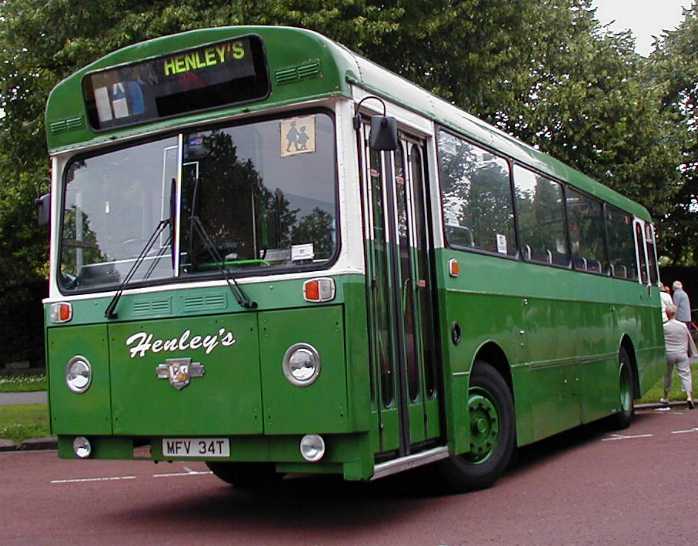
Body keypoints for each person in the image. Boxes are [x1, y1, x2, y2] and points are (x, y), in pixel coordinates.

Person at [661, 304, 696, 409]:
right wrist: (690, 351)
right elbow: (688, 339)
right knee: (685, 374)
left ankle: (666, 397)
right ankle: (689, 396)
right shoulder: (683, 326)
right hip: (681, 353)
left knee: (667, 375)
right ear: (675, 313)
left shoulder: (664, 327)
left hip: (668, 353)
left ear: (667, 314)